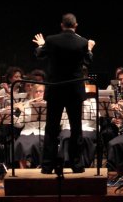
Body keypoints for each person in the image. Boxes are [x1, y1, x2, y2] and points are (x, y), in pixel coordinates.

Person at [32, 13, 95, 174]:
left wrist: (41, 44)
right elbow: (88, 61)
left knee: (51, 128)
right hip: (74, 90)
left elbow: (39, 54)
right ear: (76, 25)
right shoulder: (82, 42)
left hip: (56, 89)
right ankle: (76, 164)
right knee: (76, 128)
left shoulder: (51, 40)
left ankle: (47, 166)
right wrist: (89, 48)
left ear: (62, 25)